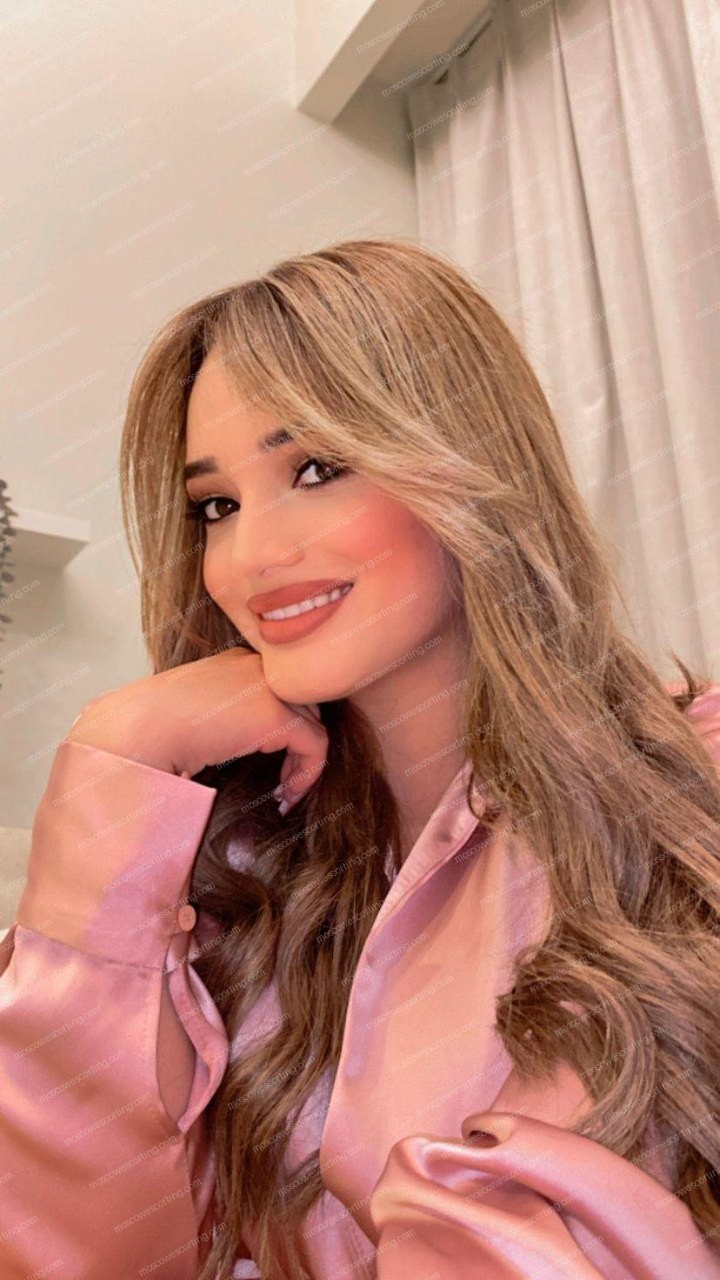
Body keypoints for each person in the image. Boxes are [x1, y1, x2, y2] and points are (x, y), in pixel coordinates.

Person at [1, 237, 719, 1280]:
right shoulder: (233, 871)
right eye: (217, 506)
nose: (252, 556)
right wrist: (111, 765)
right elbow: (73, 1249)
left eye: (317, 468)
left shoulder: (683, 790)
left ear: (465, 461)